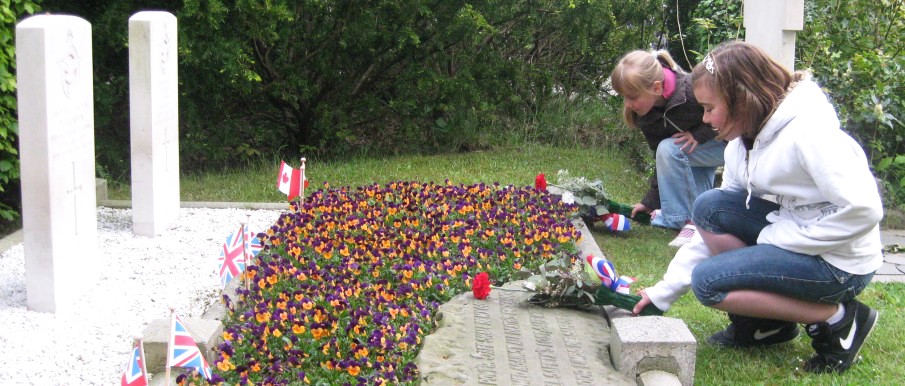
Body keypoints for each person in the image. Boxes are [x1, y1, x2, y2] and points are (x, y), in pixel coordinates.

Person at [632, 41, 883, 374]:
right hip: (793, 232)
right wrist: (665, 291)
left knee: (708, 283)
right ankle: (767, 326)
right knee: (709, 206)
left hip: (841, 263)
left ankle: (841, 318)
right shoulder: (741, 142)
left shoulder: (810, 134)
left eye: (709, 108)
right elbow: (713, 224)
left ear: (741, 100)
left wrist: (781, 237)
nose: (705, 119)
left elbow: (864, 210)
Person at [610, 50, 726, 247]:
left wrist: (698, 134)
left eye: (632, 97)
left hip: (725, 144)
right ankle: (687, 216)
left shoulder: (690, 90)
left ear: (656, 87)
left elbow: (722, 112)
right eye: (624, 98)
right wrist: (650, 202)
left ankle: (692, 222)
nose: (628, 105)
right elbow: (660, 160)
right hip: (697, 152)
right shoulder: (646, 115)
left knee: (671, 149)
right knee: (670, 151)